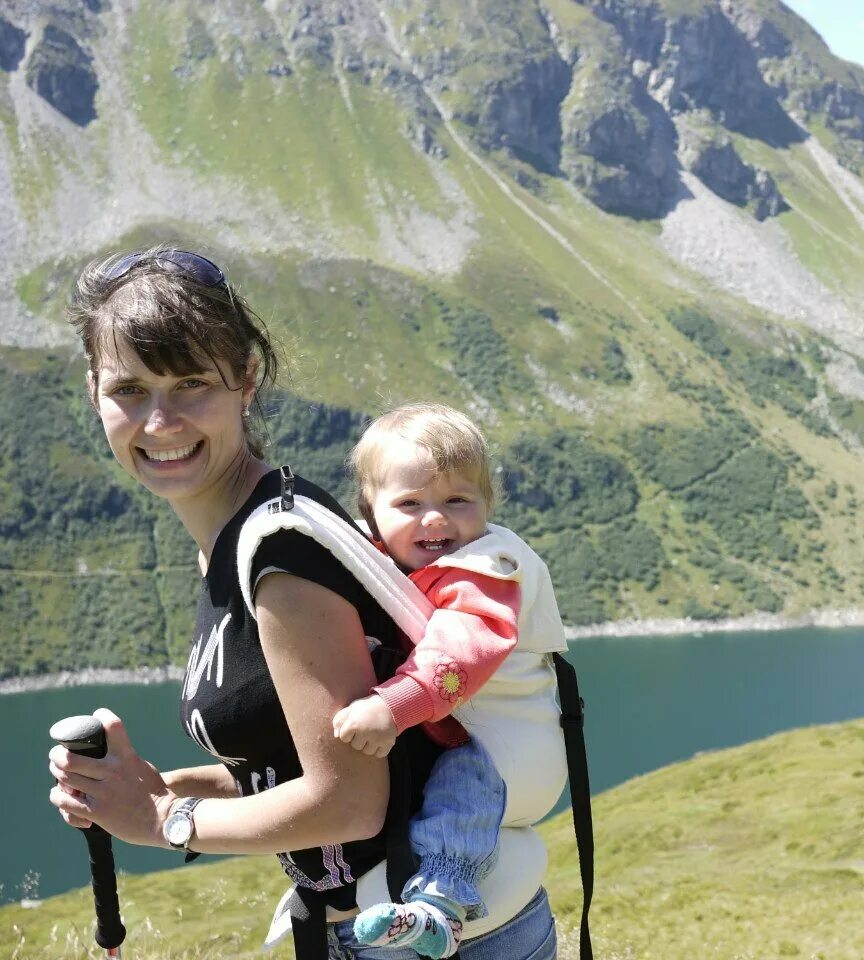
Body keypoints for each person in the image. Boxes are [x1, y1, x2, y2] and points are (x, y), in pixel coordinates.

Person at [46, 247, 558, 960]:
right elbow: (299, 756)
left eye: (192, 383)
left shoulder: (280, 552)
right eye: (129, 390)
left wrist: (169, 820)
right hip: (400, 930)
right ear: (93, 389)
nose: (160, 421)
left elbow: (349, 801)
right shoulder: (236, 536)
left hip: (440, 940)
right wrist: (142, 791)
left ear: (247, 380)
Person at [332, 402, 566, 958]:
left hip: (507, 753)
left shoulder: (486, 570)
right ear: (372, 512)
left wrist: (395, 705)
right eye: (410, 504)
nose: (435, 519)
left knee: (462, 789)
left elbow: (465, 651)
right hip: (487, 740)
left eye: (457, 501)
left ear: (489, 504)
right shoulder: (396, 558)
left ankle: (439, 907)